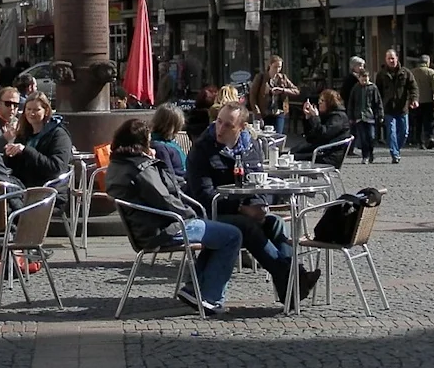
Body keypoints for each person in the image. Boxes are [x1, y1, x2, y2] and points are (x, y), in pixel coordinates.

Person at [184, 102, 317, 304]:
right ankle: (296, 279)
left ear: (242, 128)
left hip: (244, 209)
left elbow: (259, 180)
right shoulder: (202, 149)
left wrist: (260, 205)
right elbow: (204, 195)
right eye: (219, 122)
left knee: (276, 223)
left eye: (228, 125)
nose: (220, 129)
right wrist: (241, 209)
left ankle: (290, 292)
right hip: (211, 212)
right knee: (246, 226)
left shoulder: (251, 147)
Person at [105, 117, 241, 315]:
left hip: (145, 227)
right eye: (148, 140)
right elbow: (165, 198)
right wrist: (189, 214)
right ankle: (210, 297)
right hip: (163, 229)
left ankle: (195, 290)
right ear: (141, 142)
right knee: (232, 235)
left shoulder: (117, 164)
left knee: (215, 232)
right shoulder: (141, 168)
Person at [1, 93, 74, 187]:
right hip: (24, 187)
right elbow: (16, 168)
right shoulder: (24, 133)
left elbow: (57, 168)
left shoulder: (59, 135)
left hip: (49, 190)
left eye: (36, 110)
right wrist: (9, 154)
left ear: (46, 111)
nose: (31, 113)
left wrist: (26, 150)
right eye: (28, 109)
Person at [374, 49, 417, 164]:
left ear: (397, 58)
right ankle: (395, 153)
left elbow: (413, 88)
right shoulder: (381, 74)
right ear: (386, 60)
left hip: (402, 108)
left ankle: (396, 148)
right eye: (389, 58)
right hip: (388, 108)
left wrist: (414, 99)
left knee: (405, 132)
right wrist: (379, 106)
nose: (391, 61)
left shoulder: (406, 73)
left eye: (393, 58)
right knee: (391, 131)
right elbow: (377, 92)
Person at [296, 90, 352, 167]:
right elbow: (310, 138)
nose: (319, 102)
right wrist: (309, 117)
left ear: (330, 102)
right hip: (320, 150)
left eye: (322, 100)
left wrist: (315, 117)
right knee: (290, 153)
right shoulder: (327, 115)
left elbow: (323, 134)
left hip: (329, 156)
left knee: (292, 157)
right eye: (319, 100)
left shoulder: (338, 117)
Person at [250, 55, 300, 137]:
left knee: (277, 137)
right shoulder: (261, 77)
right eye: (275, 67)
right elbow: (253, 96)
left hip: (278, 112)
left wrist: (283, 90)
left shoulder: (282, 78)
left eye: (279, 67)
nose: (277, 69)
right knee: (264, 138)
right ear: (270, 65)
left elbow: (296, 91)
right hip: (264, 113)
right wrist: (257, 113)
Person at [348, 68, 383, 164]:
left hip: (370, 116)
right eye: (362, 78)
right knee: (363, 138)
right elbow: (351, 103)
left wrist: (380, 115)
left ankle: (371, 153)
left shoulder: (373, 88)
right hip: (359, 117)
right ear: (359, 78)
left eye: (366, 78)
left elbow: (378, 102)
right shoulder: (356, 88)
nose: (364, 80)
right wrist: (351, 117)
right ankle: (365, 156)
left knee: (371, 137)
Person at [410, 55, 434, 149]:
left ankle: (419, 142)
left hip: (416, 101)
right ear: (427, 62)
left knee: (418, 122)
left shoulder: (412, 72)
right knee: (429, 121)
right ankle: (429, 139)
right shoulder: (430, 72)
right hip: (428, 101)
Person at [149, 103, 189, 179]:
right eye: (178, 126)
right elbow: (169, 177)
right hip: (181, 184)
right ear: (172, 127)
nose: (180, 129)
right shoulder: (160, 147)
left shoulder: (169, 142)